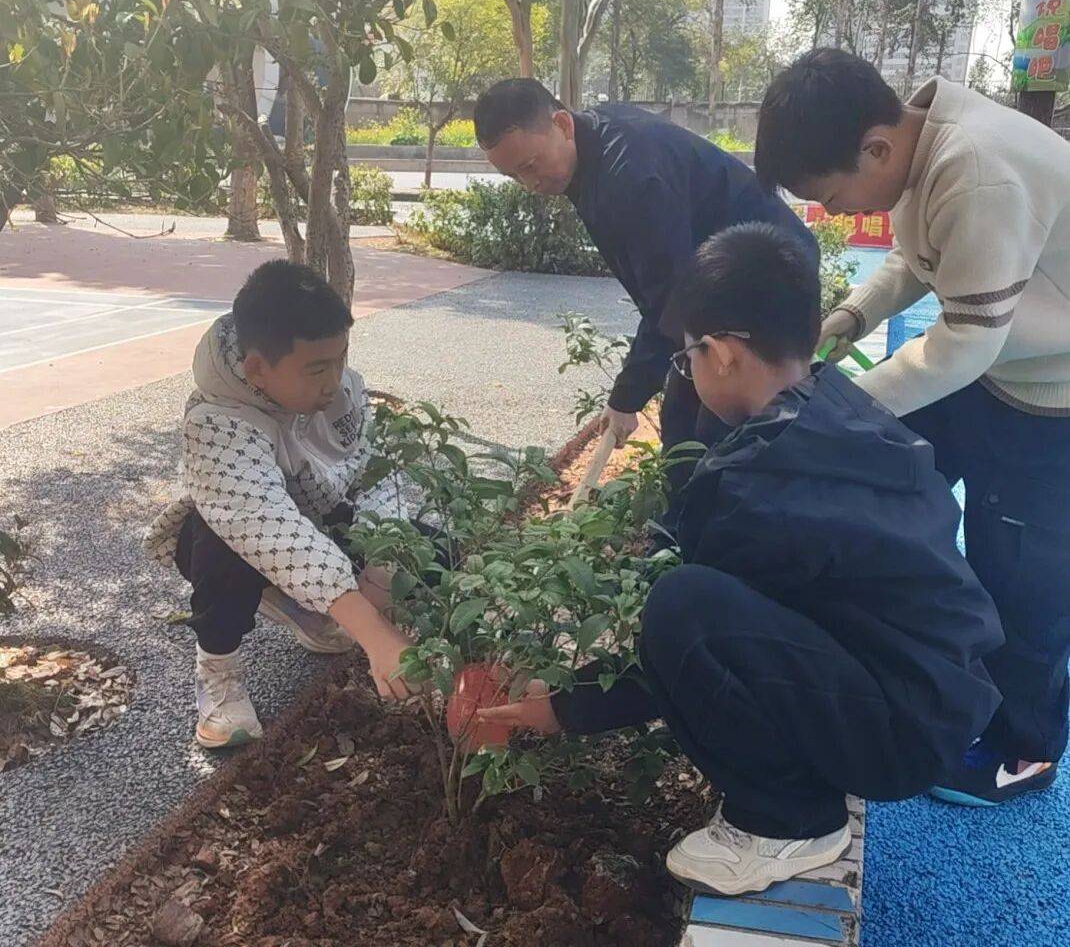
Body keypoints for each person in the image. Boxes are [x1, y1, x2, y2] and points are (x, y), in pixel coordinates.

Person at [476, 223, 1001, 895]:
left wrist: (567, 708)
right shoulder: (840, 407)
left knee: (681, 605)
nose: (687, 372)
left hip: (895, 737)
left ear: (720, 353)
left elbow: (693, 641)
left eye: (685, 357)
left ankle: (787, 823)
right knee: (700, 601)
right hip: (935, 699)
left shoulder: (757, 481)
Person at [753, 48, 1070, 807]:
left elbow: (963, 344)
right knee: (890, 474)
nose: (833, 214)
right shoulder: (920, 141)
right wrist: (847, 318)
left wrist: (835, 407)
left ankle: (1026, 747)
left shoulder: (978, 171)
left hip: (1052, 395)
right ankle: (922, 660)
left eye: (831, 196)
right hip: (998, 367)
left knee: (1023, 575)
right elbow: (913, 259)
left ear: (874, 148)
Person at [473, 78, 817, 502]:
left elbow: (671, 299)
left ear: (562, 124)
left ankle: (717, 523)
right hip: (720, 281)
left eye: (530, 166)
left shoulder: (631, 177)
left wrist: (627, 397)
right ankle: (690, 518)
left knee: (714, 431)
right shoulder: (591, 149)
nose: (529, 183)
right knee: (687, 423)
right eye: (513, 175)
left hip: (767, 280)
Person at [145, 260, 416, 748]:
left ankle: (313, 611)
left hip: (323, 519)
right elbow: (265, 527)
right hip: (243, 537)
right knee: (221, 542)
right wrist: (373, 633)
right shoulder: (216, 422)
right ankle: (219, 670)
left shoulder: (339, 389)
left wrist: (379, 574)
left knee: (428, 548)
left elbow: (376, 471)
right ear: (257, 369)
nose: (334, 380)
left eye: (340, 358)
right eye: (317, 368)